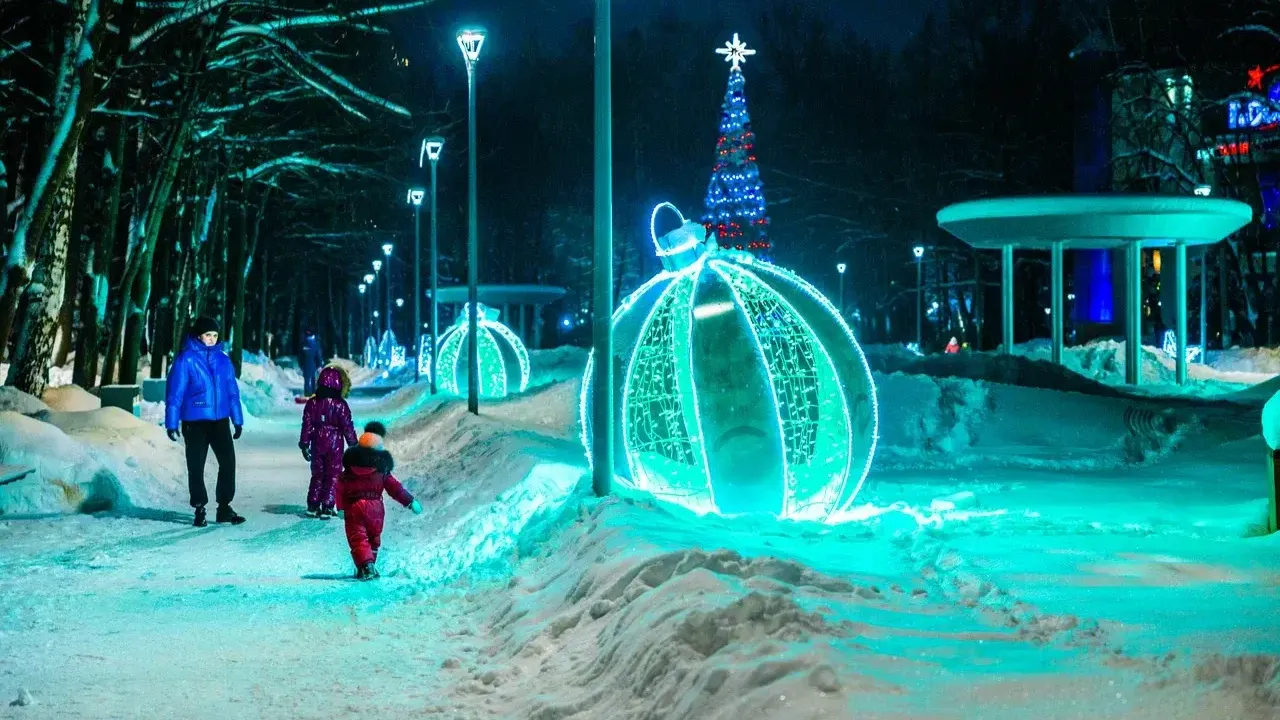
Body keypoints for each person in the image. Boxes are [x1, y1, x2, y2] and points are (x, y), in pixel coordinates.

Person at [165, 317, 246, 527]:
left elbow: (232, 392)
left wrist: (237, 419)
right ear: (198, 336)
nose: (211, 339)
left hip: (220, 422)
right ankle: (199, 507)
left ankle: (224, 507)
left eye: (215, 335)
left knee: (228, 462)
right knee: (196, 466)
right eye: (207, 335)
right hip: (195, 423)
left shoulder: (223, 360)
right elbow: (175, 393)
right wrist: (171, 422)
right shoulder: (186, 360)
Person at [338, 422, 421, 580]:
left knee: (359, 538)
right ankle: (368, 565)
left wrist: (341, 507)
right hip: (376, 508)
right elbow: (396, 489)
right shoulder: (382, 471)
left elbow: (340, 488)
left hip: (355, 508)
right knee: (373, 538)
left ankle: (366, 566)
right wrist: (410, 501)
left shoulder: (349, 470)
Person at [299, 365, 357, 518]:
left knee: (317, 474)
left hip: (317, 442)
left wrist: (304, 444)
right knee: (332, 475)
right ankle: (327, 505)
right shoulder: (341, 405)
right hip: (335, 444)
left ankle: (313, 504)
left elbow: (306, 425)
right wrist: (353, 444)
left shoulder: (312, 403)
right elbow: (347, 426)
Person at [299, 330, 324, 397]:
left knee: (307, 380)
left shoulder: (303, 344)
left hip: (305, 365)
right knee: (313, 379)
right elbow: (318, 356)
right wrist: (320, 365)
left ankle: (307, 393)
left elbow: (300, 357)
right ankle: (313, 393)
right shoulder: (315, 344)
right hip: (313, 365)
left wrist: (301, 365)